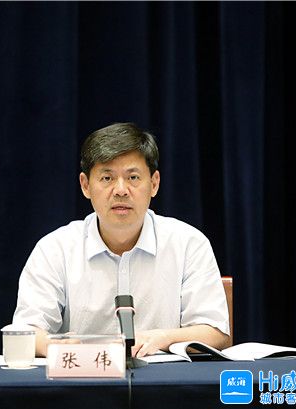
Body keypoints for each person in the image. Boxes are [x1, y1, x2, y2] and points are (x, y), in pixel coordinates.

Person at [12, 122, 230, 357]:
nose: (121, 190)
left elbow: (215, 331)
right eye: (107, 178)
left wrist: (161, 338)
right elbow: (26, 331)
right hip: (82, 376)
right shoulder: (55, 249)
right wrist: (65, 348)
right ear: (85, 186)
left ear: (154, 183)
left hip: (164, 378)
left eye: (133, 177)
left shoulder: (188, 244)